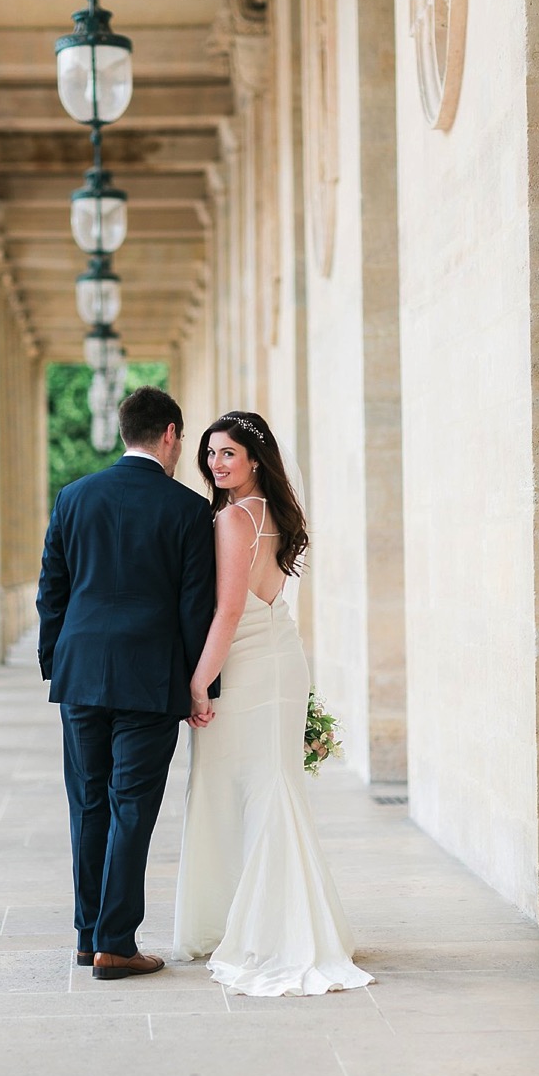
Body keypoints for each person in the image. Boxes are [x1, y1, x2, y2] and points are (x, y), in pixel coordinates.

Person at [170, 410, 373, 996]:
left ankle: (267, 929)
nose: (216, 463)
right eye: (209, 454)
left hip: (248, 665)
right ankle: (278, 919)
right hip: (281, 657)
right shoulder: (278, 517)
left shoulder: (234, 520)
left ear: (255, 458)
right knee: (271, 785)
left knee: (237, 790)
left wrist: (199, 683)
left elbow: (228, 611)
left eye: (228, 453)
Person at [37, 386, 218, 981]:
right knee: (131, 807)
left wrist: (54, 663)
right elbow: (197, 608)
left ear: (124, 432)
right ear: (169, 434)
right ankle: (116, 941)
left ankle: (90, 936)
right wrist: (201, 688)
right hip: (149, 678)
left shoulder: (73, 497)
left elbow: (52, 593)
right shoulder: (190, 511)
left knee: (87, 804)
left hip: (82, 674)